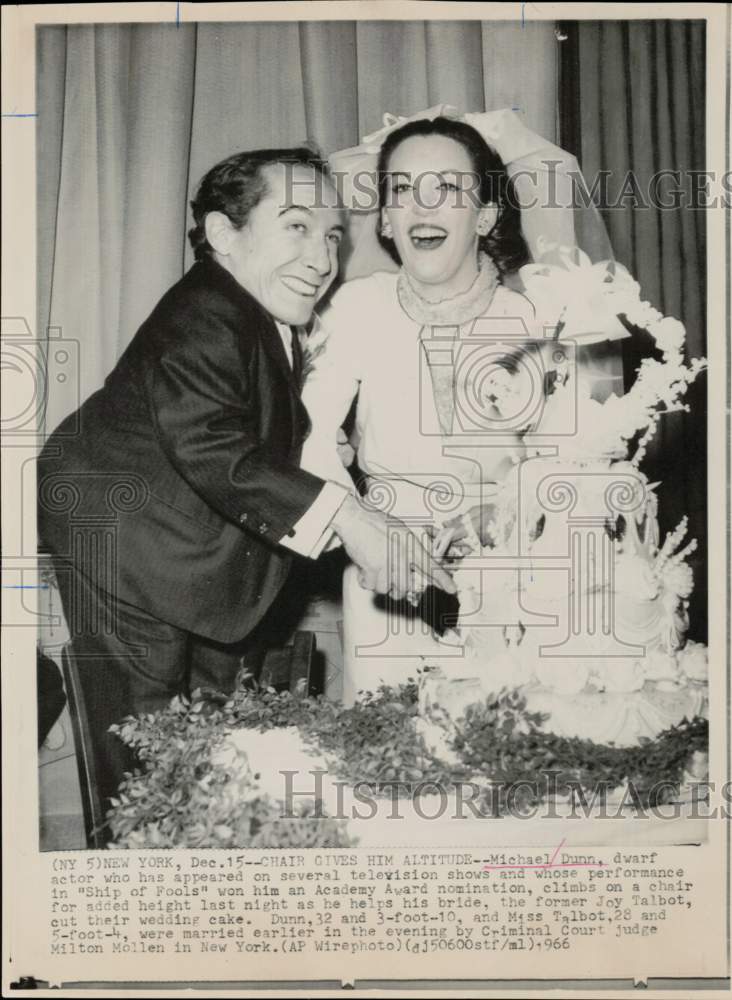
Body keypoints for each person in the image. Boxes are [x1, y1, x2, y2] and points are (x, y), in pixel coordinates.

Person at [38, 147, 455, 817]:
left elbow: (247, 446)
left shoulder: (253, 316)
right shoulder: (205, 309)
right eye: (296, 226)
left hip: (188, 563)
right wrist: (350, 521)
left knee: (204, 749)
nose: (322, 257)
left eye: (331, 235)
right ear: (221, 234)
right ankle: (133, 882)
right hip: (126, 547)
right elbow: (210, 444)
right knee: (143, 749)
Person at [300, 116, 552, 704]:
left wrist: (503, 516)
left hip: (516, 579)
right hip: (386, 577)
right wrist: (367, 532)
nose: (422, 207)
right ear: (385, 218)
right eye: (403, 190)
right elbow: (306, 437)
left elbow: (574, 462)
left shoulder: (537, 320)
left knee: (509, 753)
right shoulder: (355, 308)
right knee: (392, 764)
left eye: (448, 189)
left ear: (486, 215)